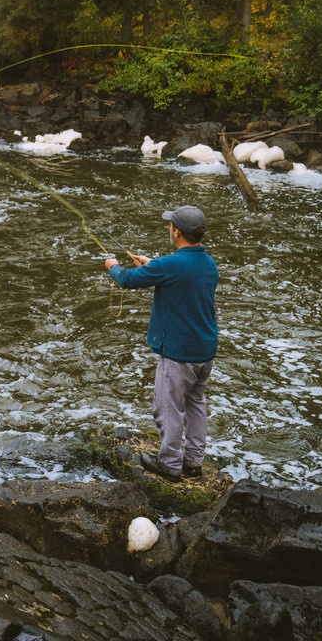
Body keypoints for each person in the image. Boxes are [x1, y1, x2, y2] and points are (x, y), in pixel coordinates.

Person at [104, 205, 218, 483]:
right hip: (205, 351)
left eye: (171, 226)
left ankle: (169, 464)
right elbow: (181, 275)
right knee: (196, 404)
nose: (170, 229)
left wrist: (112, 266)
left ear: (177, 232)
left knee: (168, 407)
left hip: (179, 354)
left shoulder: (169, 265)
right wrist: (153, 263)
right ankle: (193, 461)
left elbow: (128, 280)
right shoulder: (209, 264)